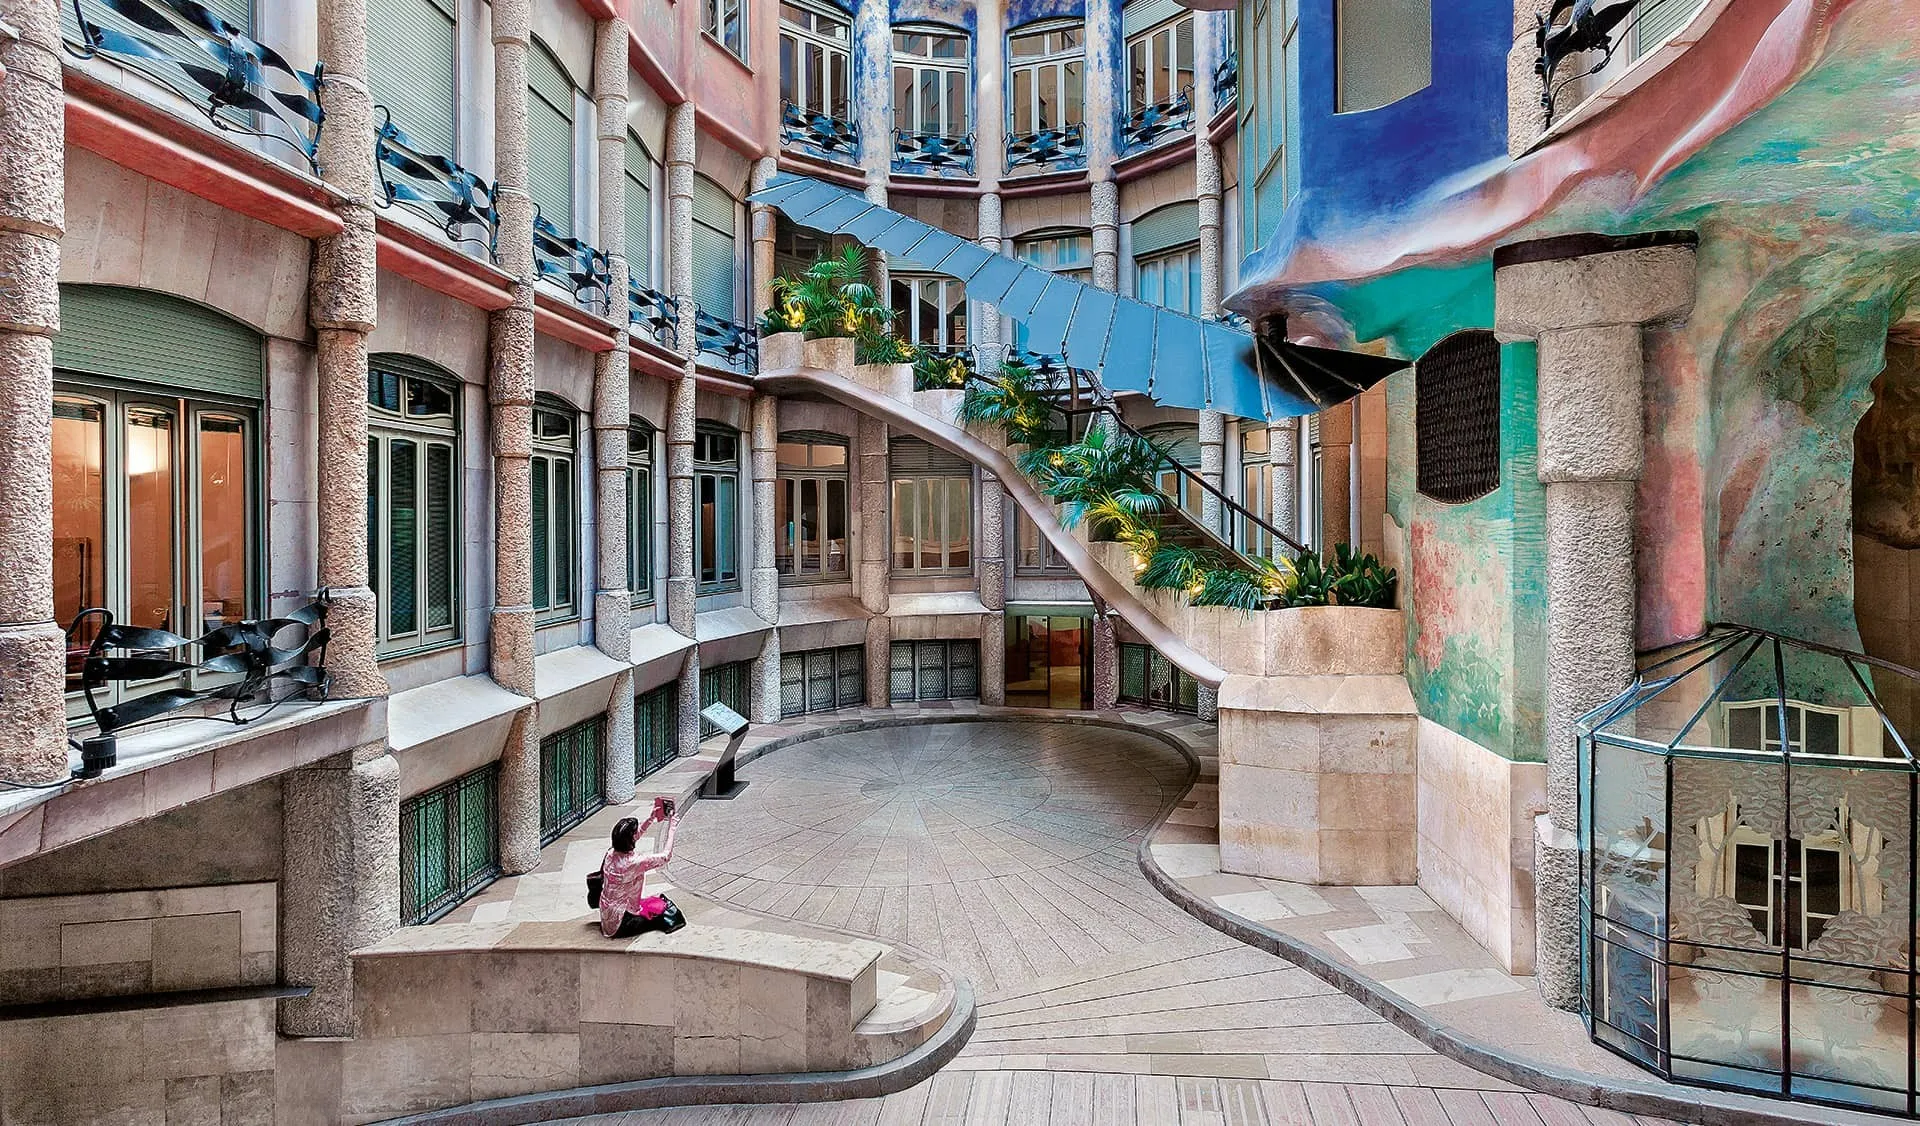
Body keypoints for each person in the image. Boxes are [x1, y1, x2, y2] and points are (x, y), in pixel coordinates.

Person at [597, 797, 684, 937]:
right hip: (622, 922)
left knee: (653, 902)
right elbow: (666, 856)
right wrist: (672, 827)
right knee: (665, 908)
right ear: (630, 839)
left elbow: (632, 838)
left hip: (607, 917)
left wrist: (650, 819)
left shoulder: (610, 854)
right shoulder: (634, 862)